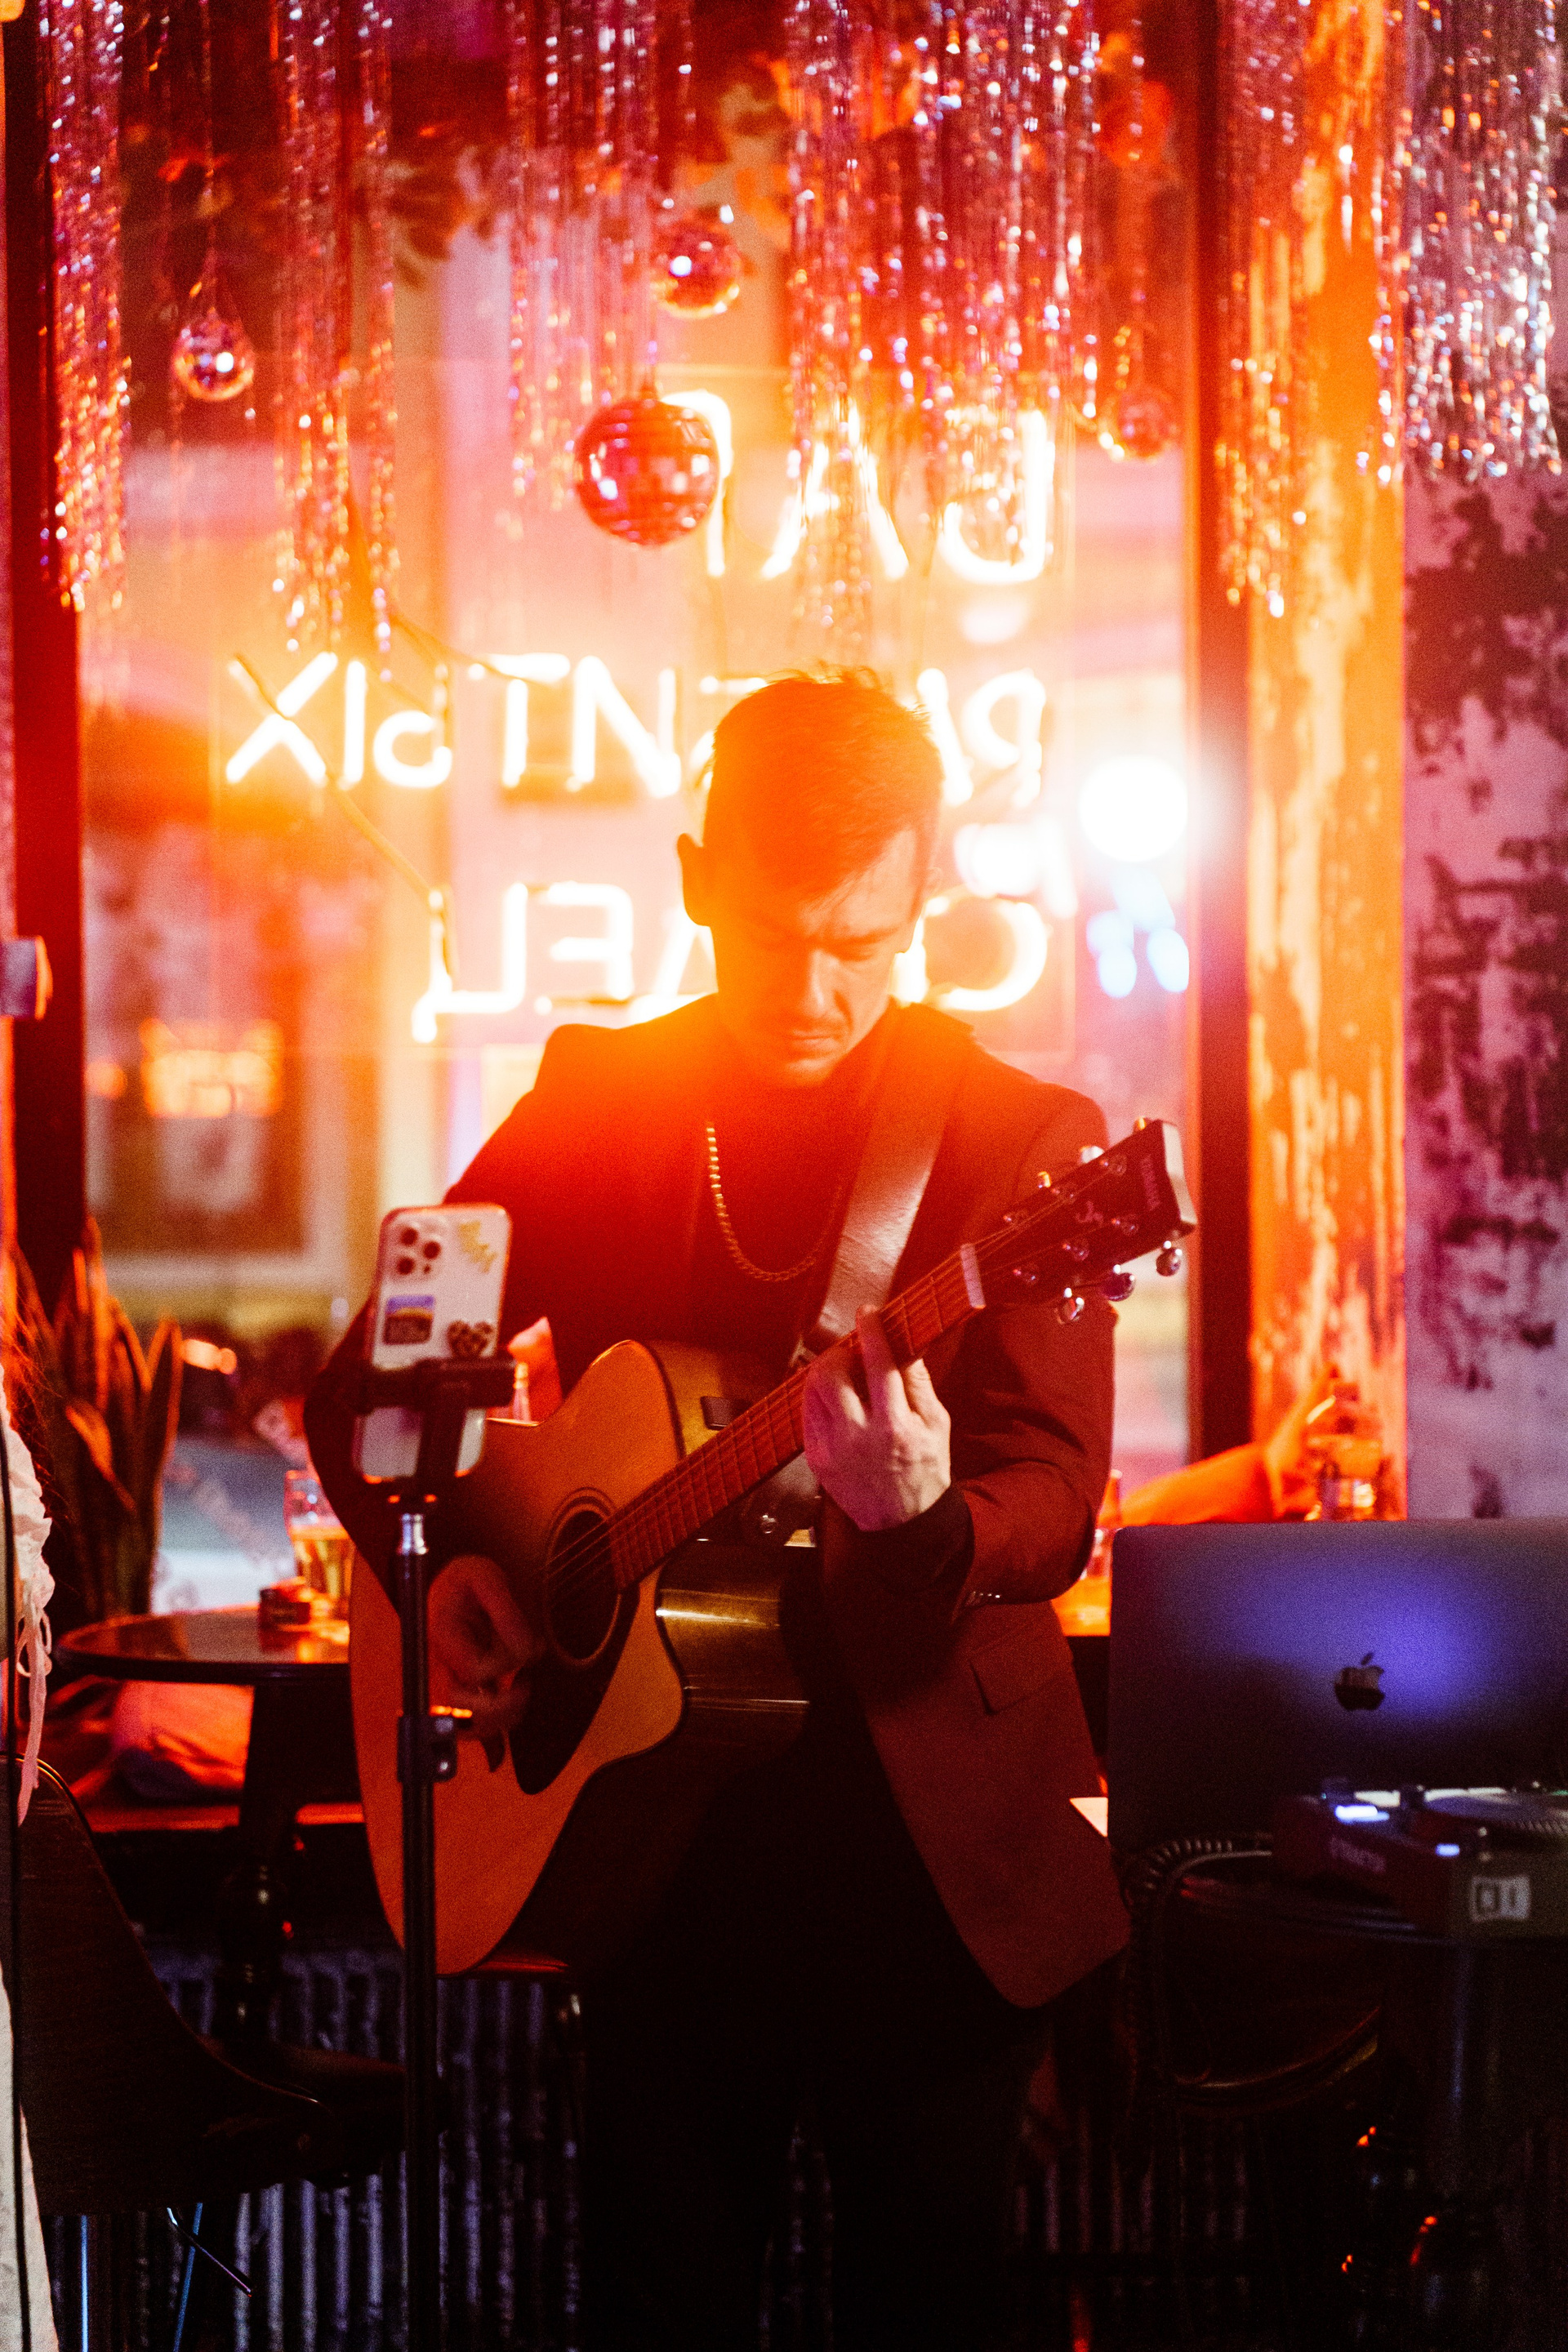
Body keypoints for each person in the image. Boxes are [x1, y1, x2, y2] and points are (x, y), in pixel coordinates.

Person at [306, 670, 1127, 2351]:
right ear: (693, 879)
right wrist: (450, 1568)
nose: (817, 991)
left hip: (929, 1855)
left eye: (863, 944)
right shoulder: (597, 1100)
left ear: (924, 902)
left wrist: (925, 1517)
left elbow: (1054, 1494)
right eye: (772, 939)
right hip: (652, 1842)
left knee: (930, 2314)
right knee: (656, 2305)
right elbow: (368, 1392)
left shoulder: (1028, 1144)